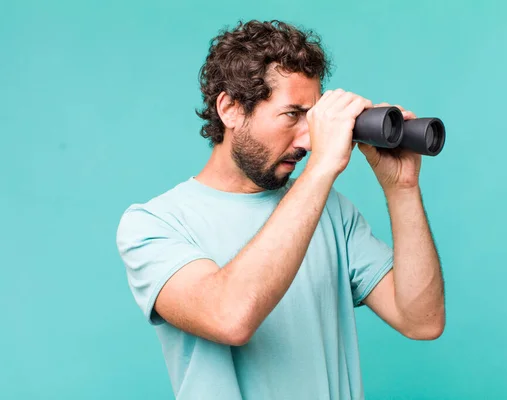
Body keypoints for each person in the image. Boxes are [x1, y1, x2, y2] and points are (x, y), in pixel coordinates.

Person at [116, 19, 445, 400]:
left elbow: (422, 321)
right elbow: (230, 317)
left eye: (313, 116)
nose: (308, 139)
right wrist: (323, 168)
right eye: (292, 114)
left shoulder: (329, 210)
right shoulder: (155, 224)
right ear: (231, 109)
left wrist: (402, 188)